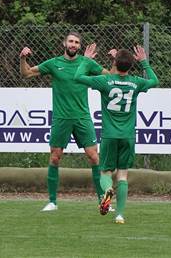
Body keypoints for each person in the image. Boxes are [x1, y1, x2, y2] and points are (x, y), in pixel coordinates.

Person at [20, 31, 109, 211]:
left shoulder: (86, 63)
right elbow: (27, 74)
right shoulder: (54, 63)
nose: (73, 44)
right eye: (70, 41)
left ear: (79, 46)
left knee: (94, 157)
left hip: (83, 117)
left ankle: (103, 201)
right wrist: (22, 58)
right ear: (64, 43)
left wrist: (115, 61)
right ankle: (52, 202)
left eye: (76, 42)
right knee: (55, 157)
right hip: (61, 118)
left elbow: (110, 77)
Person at [74, 45, 159, 224]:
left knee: (105, 172)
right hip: (127, 136)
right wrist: (144, 61)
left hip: (109, 136)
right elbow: (154, 80)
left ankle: (106, 191)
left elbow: (78, 77)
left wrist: (86, 59)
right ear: (130, 66)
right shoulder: (136, 82)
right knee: (123, 175)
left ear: (114, 63)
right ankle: (119, 215)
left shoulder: (105, 81)